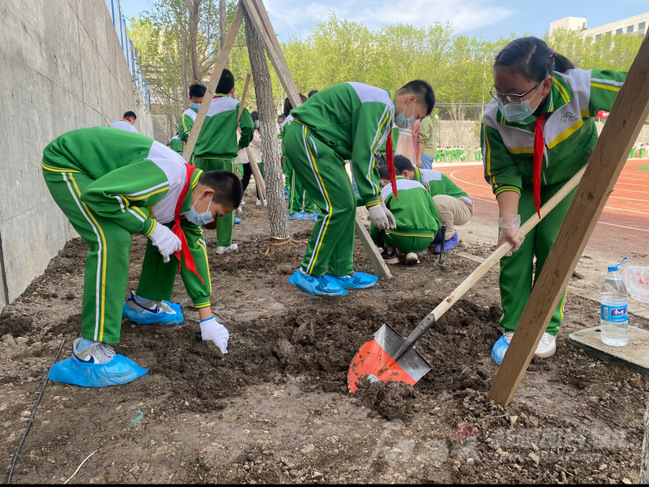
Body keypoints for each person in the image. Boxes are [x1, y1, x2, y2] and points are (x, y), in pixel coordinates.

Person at [42, 127, 242, 387]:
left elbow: (191, 250)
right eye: (215, 214)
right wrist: (150, 227)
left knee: (173, 236)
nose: (208, 222)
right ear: (207, 194)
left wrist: (208, 318)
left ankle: (145, 302)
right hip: (70, 164)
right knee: (112, 239)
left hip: (101, 180)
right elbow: (101, 195)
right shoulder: (168, 176)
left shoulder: (187, 197)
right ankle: (88, 350)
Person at [481, 36, 626, 365]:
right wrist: (508, 223)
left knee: (554, 245)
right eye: (499, 92)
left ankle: (544, 326)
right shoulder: (494, 118)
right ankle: (514, 327)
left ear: (545, 85)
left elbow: (636, 89)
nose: (505, 102)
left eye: (515, 94)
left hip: (570, 180)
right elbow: (503, 172)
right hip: (521, 184)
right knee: (514, 248)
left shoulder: (578, 90)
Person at [282, 79, 435, 296]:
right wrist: (372, 203)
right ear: (411, 100)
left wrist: (379, 201)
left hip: (325, 146)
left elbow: (369, 157)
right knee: (336, 207)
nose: (413, 121)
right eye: (417, 116)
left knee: (348, 205)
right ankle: (308, 272)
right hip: (309, 138)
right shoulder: (380, 104)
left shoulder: (381, 107)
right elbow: (362, 154)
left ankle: (341, 271)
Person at [194, 69, 254, 254]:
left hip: (201, 158)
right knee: (226, 198)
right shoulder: (235, 105)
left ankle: (197, 240)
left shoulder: (203, 106)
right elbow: (249, 127)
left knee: (200, 198)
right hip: (223, 158)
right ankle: (223, 243)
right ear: (232, 89)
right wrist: (240, 145)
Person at [395, 156, 473, 253]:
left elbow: (433, 209)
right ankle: (438, 236)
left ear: (405, 173)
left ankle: (450, 237)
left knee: (436, 201)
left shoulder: (431, 179)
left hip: (463, 207)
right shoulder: (412, 181)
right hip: (446, 209)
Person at [371, 159, 441, 265]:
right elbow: (435, 215)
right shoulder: (419, 185)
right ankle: (412, 252)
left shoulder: (387, 189)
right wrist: (432, 234)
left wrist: (379, 242)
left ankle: (390, 253)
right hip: (426, 238)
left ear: (382, 182)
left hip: (400, 237)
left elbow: (375, 226)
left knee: (383, 220)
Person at [280, 95, 318, 221]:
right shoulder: (291, 121)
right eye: (303, 103)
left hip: (302, 155)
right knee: (295, 184)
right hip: (295, 156)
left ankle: (307, 210)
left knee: (304, 184)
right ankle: (293, 210)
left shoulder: (297, 119)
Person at [235, 111, 266, 206]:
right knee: (259, 178)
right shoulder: (251, 131)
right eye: (257, 120)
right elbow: (259, 143)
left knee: (246, 178)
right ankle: (260, 198)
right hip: (251, 158)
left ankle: (238, 197)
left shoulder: (253, 131)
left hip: (248, 158)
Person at [178, 83, 207, 161]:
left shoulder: (210, 112)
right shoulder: (187, 115)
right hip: (196, 155)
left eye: (201, 102)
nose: (198, 104)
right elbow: (187, 135)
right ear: (190, 98)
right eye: (196, 102)